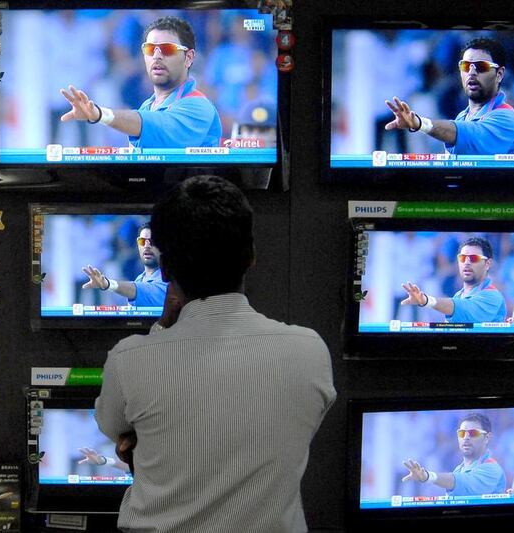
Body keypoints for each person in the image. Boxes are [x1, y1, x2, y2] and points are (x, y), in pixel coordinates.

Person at [95, 175, 336, 532]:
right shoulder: (310, 350)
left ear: (164, 268)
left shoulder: (129, 359)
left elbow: (110, 426)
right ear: (251, 256)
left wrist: (162, 330)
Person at [60, 16, 222, 148]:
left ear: (189, 58)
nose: (157, 56)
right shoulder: (147, 106)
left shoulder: (199, 106)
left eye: (167, 49)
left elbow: (157, 126)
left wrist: (99, 114)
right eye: (150, 49)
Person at [384, 37, 514, 155]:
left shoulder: (508, 118)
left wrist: (419, 123)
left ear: (499, 74)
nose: (471, 72)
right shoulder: (462, 117)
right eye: (465, 66)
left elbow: (466, 134)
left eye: (481, 66)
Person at [401, 236, 507, 323]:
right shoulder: (458, 295)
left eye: (474, 258)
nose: (466, 262)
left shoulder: (492, 296)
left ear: (488, 264)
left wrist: (426, 300)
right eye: (462, 258)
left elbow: (463, 308)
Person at [402, 413, 506, 496]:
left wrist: (428, 476)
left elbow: (464, 483)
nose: (465, 437)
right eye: (461, 433)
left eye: (473, 433)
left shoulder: (492, 469)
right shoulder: (458, 469)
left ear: (487, 438)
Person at [81, 223, 167, 308]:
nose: (147, 246)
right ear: (138, 243)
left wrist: (108, 284)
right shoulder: (140, 279)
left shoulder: (169, 279)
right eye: (142, 241)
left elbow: (141, 290)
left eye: (153, 241)